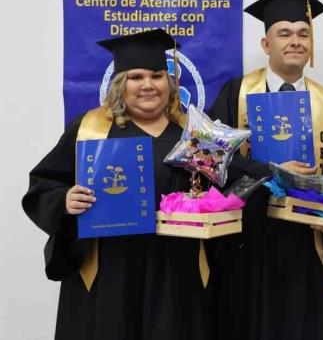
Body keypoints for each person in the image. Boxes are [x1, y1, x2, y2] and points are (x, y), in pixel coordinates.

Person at [22, 29, 212, 340]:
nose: (148, 85)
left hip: (176, 271)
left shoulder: (193, 133)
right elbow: (44, 184)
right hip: (111, 270)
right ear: (120, 85)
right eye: (136, 77)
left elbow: (223, 188)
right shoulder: (91, 129)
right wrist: (66, 200)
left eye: (156, 75)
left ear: (170, 83)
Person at [207, 0, 323, 340]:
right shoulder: (236, 93)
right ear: (266, 44)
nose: (295, 40)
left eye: (303, 33)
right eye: (284, 33)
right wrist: (268, 173)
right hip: (248, 235)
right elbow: (209, 158)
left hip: (305, 239)